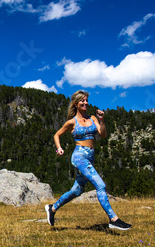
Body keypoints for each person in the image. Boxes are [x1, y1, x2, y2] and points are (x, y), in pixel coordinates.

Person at [45, 90, 132, 231]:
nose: (85, 103)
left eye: (86, 100)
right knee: (100, 185)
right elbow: (57, 135)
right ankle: (113, 219)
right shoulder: (72, 122)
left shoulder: (93, 118)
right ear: (76, 104)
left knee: (76, 191)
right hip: (79, 157)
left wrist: (102, 120)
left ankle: (52, 208)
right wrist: (59, 148)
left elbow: (103, 134)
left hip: (90, 156)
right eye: (82, 101)